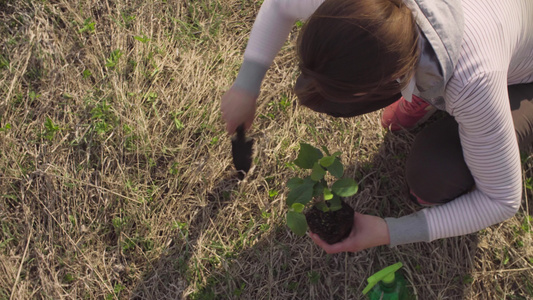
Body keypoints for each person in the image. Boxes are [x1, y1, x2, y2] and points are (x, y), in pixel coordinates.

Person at [221, 0, 533, 253]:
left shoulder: (474, 81)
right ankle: (428, 88)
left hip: (522, 76)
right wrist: (246, 86)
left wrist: (388, 231)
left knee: (434, 176)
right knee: (324, 83)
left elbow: (501, 201)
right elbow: (280, 5)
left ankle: (435, 91)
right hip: (462, 44)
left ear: (391, 80)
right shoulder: (362, 9)